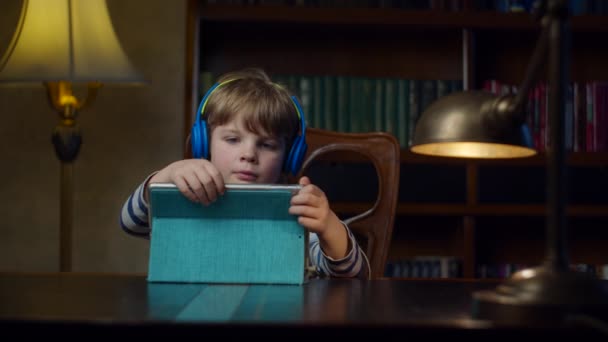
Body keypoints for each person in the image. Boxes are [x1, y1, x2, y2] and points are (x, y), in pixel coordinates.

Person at [120, 68, 368, 279]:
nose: (248, 154)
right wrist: (165, 177)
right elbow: (131, 223)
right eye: (232, 139)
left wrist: (328, 225)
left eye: (267, 145)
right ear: (203, 144)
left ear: (289, 155)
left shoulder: (295, 209)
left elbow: (353, 275)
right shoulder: (188, 197)